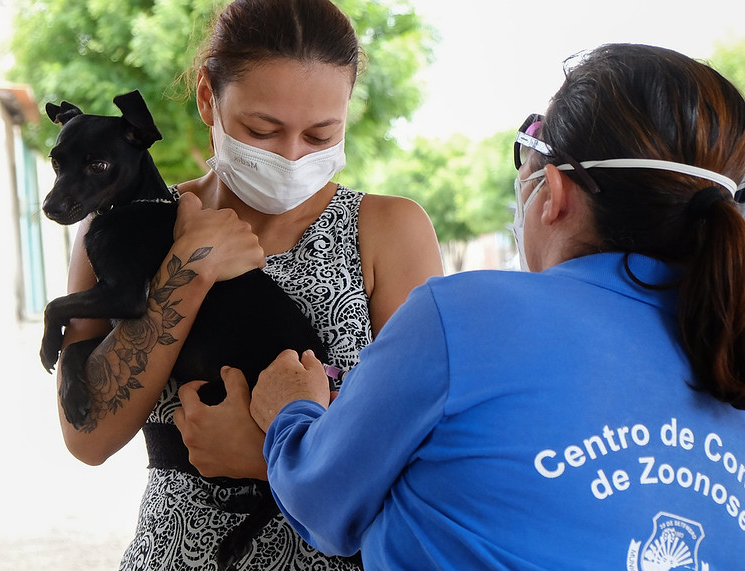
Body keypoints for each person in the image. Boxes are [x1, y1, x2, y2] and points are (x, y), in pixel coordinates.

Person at [248, 43, 745, 569]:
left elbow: (323, 502)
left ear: (552, 191)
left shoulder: (464, 317)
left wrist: (290, 413)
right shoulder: (726, 338)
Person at [54, 0, 443, 569]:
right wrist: (187, 270)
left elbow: (429, 464)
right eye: (263, 130)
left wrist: (272, 455)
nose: (290, 156)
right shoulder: (117, 222)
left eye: (319, 134)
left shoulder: (388, 230)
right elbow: (86, 437)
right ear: (209, 99)